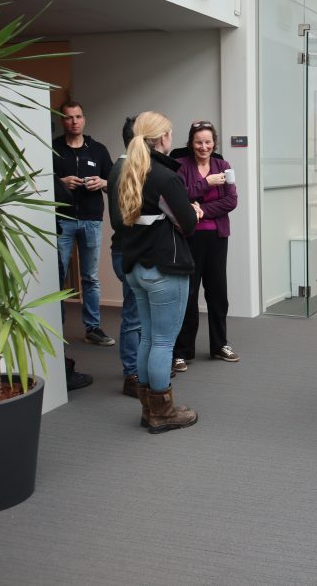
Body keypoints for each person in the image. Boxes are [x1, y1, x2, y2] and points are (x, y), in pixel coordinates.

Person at [110, 111, 202, 434]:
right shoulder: (164, 177)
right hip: (164, 269)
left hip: (136, 268)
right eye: (170, 134)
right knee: (163, 341)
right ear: (162, 138)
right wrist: (194, 211)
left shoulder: (124, 171)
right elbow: (188, 225)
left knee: (148, 338)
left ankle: (149, 409)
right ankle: (163, 412)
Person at [172, 121, 240, 371]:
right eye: (199, 142)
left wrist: (202, 210)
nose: (204, 146)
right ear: (191, 143)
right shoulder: (180, 166)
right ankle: (181, 351)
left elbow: (231, 201)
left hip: (217, 239)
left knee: (217, 293)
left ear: (215, 143)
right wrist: (206, 184)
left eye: (208, 142)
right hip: (189, 239)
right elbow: (178, 196)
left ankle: (220, 344)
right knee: (188, 295)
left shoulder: (224, 166)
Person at [52, 100, 115, 351]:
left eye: (78, 116)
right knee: (57, 276)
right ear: (62, 121)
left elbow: (115, 183)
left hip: (91, 219)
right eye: (69, 118)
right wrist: (61, 182)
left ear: (84, 119)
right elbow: (41, 182)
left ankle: (93, 328)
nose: (74, 121)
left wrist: (102, 183)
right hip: (62, 219)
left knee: (90, 277)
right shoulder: (53, 148)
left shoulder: (97, 149)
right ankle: (56, 327)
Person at [108, 116, 144, 397]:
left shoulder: (130, 168)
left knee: (138, 315)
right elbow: (120, 221)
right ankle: (131, 374)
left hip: (132, 250)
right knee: (133, 317)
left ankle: (137, 369)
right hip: (127, 251)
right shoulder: (122, 170)